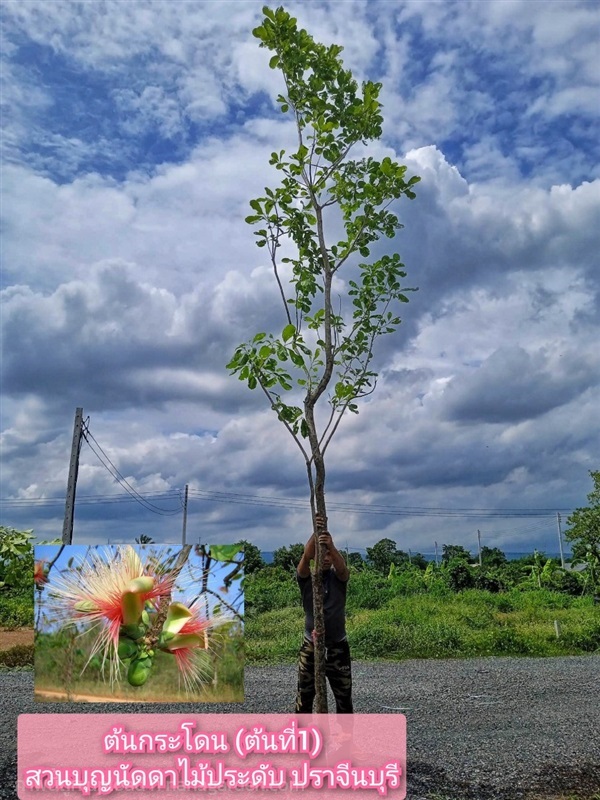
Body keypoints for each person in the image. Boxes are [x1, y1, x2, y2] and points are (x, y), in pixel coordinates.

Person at [295, 515, 353, 713]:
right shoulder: (306, 578)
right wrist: (317, 530)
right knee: (304, 696)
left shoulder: (339, 579)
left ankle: (345, 742)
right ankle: (303, 741)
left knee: (344, 698)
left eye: (329, 555)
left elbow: (343, 568)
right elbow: (305, 557)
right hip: (311, 646)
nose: (326, 558)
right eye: (322, 554)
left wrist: (331, 545)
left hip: (337, 647)